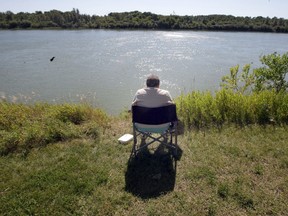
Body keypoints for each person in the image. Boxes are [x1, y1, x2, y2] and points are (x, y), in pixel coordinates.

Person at [132, 74, 173, 154]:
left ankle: (144, 134)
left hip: (141, 126)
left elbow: (133, 108)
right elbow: (172, 108)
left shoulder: (139, 93)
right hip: (163, 126)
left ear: (146, 84)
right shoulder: (165, 93)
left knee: (147, 117)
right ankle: (164, 134)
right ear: (159, 84)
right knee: (161, 117)